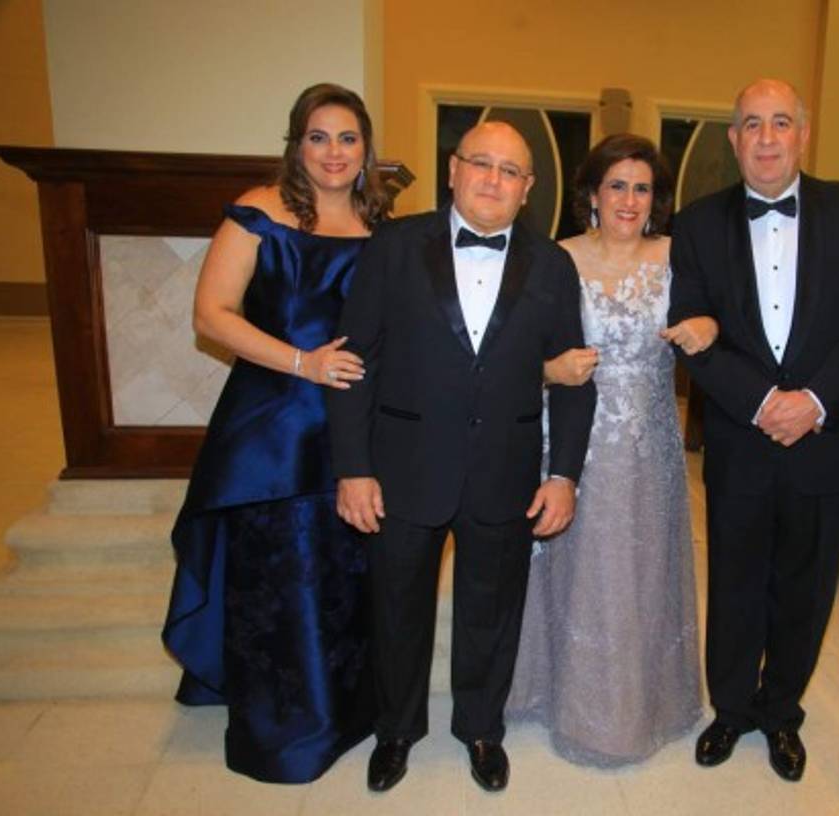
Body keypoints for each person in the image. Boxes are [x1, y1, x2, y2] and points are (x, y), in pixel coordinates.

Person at [327, 121, 596, 796]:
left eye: (511, 171)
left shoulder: (554, 265)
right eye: (482, 163)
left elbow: (573, 376)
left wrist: (563, 474)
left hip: (505, 472)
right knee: (397, 609)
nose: (493, 180)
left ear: (528, 188)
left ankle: (481, 728)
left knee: (491, 611)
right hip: (401, 468)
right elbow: (355, 363)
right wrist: (353, 467)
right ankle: (395, 730)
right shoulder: (394, 247)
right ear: (453, 168)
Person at [668, 78, 839, 781]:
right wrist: (766, 401)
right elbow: (691, 329)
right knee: (735, 583)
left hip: (827, 439)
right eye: (750, 124)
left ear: (804, 133)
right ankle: (732, 709)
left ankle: (780, 713)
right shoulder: (698, 222)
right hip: (742, 438)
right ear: (732, 139)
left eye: (780, 123)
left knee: (805, 591)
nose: (765, 138)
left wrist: (815, 401)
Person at [161, 82, 392, 783]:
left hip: (356, 423)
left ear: (366, 148)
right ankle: (287, 728)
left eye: (348, 138)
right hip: (277, 423)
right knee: (282, 576)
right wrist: (304, 363)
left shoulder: (381, 223)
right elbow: (213, 315)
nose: (333, 152)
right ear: (296, 144)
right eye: (318, 137)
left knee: (344, 574)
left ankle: (349, 709)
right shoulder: (259, 212)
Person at [508, 134, 716, 766]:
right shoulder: (553, 258)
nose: (629, 200)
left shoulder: (682, 257)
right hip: (571, 438)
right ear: (592, 195)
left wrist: (710, 324)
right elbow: (513, 352)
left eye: (642, 187)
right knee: (570, 562)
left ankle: (636, 705)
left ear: (657, 199)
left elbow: (724, 315)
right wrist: (547, 369)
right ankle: (557, 693)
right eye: (617, 185)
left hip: (648, 441)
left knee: (639, 570)